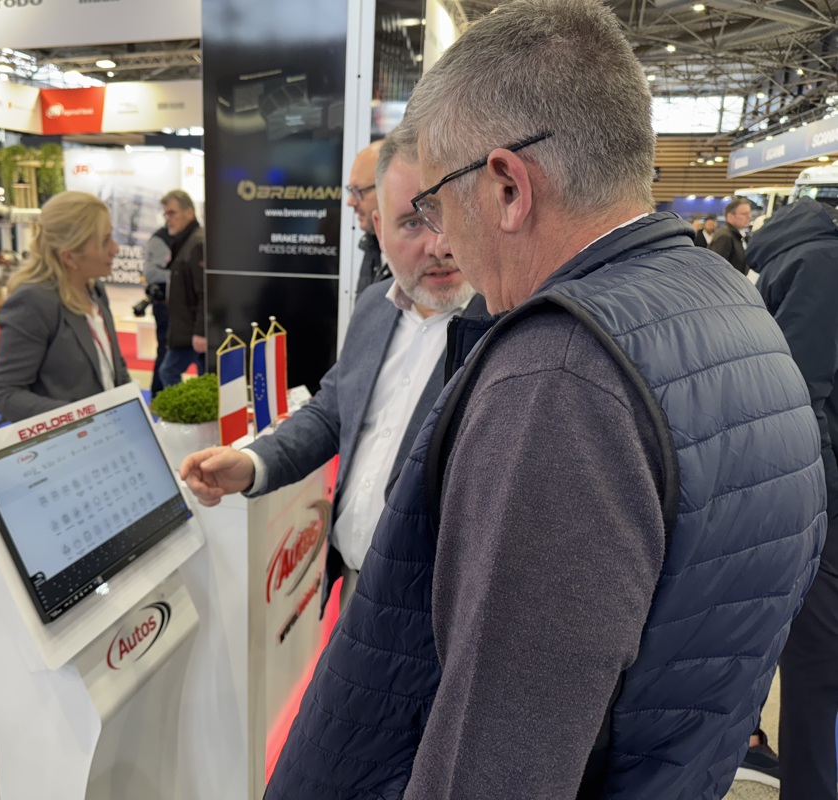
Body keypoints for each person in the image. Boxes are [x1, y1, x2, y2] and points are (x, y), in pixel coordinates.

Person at [264, 3, 827, 799]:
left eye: (437, 204)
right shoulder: (719, 301)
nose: (441, 241)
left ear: (505, 186)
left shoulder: (560, 376)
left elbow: (495, 763)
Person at [181, 136, 485, 612]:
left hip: (435, 612)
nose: (439, 244)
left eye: (449, 216)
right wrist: (254, 463)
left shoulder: (503, 331)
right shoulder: (375, 307)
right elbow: (331, 412)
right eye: (413, 222)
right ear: (379, 227)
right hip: (351, 584)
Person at [746, 197, 838, 800]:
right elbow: (801, 396)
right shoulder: (822, 263)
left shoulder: (807, 257)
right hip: (817, 501)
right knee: (819, 662)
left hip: (807, 494)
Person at [0, 191, 131, 424]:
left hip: (106, 434)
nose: (115, 249)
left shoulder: (95, 291)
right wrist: (80, 417)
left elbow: (114, 369)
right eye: (105, 241)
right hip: (68, 441)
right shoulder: (34, 302)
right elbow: (5, 394)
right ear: (70, 257)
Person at [156, 190, 204, 391]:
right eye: (166, 214)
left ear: (189, 213)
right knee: (203, 377)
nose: (168, 219)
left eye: (172, 213)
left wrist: (201, 331)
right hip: (187, 330)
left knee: (168, 371)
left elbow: (205, 292)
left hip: (192, 332)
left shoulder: (196, 243)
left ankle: (185, 407)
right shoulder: (186, 242)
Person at [347, 140, 391, 296]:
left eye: (358, 191)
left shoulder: (420, 254)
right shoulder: (372, 246)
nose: (350, 202)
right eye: (351, 191)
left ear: (389, 188)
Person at [142, 224, 175, 395]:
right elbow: (151, 273)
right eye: (168, 213)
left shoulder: (188, 238)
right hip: (165, 306)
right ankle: (158, 397)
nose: (170, 218)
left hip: (183, 308)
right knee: (166, 352)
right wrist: (180, 275)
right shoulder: (160, 239)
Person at [709, 197, 752, 274]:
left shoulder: (740, 236)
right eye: (744, 214)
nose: (749, 217)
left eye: (749, 213)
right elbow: (716, 268)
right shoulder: (724, 237)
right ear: (730, 216)